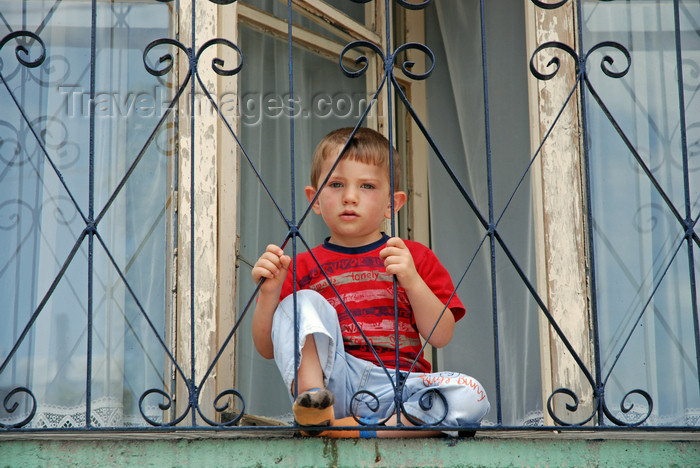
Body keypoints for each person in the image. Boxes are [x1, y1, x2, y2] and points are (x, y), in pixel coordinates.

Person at [251, 127, 489, 438]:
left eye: (367, 186)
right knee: (300, 302)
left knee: (471, 396)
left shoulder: (413, 256)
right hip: (335, 382)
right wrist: (269, 293)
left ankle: (340, 431)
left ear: (393, 203)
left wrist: (412, 280)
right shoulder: (300, 265)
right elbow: (268, 348)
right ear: (315, 200)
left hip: (400, 389)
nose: (350, 197)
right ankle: (313, 406)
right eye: (336, 184)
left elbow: (440, 335)